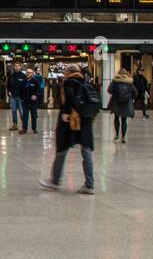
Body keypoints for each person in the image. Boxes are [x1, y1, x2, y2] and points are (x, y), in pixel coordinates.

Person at [41, 64, 95, 195]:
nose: (63, 73)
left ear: (69, 72)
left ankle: (55, 180)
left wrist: (66, 113)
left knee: (62, 150)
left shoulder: (68, 83)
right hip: (85, 121)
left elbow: (69, 98)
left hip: (70, 121)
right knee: (86, 152)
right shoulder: (87, 83)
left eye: (65, 71)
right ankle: (89, 184)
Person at [108, 69, 135, 143]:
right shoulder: (129, 82)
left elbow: (109, 90)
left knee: (116, 118)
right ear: (126, 74)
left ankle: (117, 134)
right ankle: (123, 137)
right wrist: (131, 98)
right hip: (126, 103)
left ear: (118, 73)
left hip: (116, 102)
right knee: (124, 120)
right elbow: (135, 92)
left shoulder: (115, 81)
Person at [20, 67, 44, 134]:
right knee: (25, 116)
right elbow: (20, 91)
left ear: (32, 74)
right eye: (27, 72)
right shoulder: (23, 82)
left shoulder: (35, 81)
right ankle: (24, 129)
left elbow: (39, 90)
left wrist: (36, 95)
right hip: (25, 102)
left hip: (33, 102)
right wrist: (22, 99)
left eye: (29, 73)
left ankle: (34, 128)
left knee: (34, 116)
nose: (28, 74)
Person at [6, 63, 25, 131]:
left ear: (20, 67)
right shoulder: (11, 75)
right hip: (13, 97)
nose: (17, 67)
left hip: (20, 97)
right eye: (16, 66)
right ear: (14, 67)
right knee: (13, 111)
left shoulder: (23, 76)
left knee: (22, 112)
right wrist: (9, 92)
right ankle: (15, 125)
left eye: (18, 66)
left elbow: (25, 86)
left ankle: (24, 125)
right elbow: (8, 85)